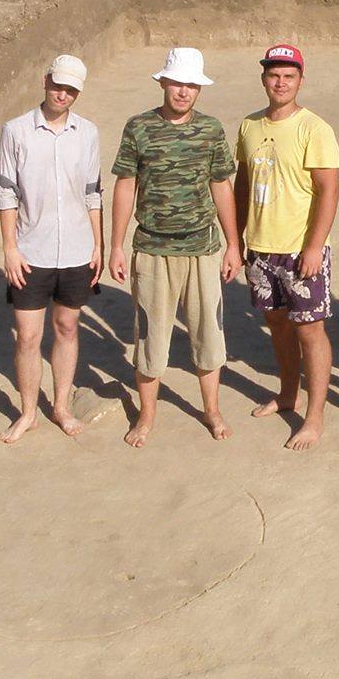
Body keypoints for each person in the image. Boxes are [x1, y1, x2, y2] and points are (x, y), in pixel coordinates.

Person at [108, 46, 243, 448]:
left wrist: (233, 244)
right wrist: (116, 245)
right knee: (150, 336)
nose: (183, 91)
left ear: (199, 89)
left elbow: (221, 184)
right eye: (177, 83)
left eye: (191, 85)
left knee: (208, 333)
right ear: (163, 82)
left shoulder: (211, 130)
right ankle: (147, 413)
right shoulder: (139, 128)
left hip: (202, 250)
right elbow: (125, 184)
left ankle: (212, 409)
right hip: (152, 249)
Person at [0, 53, 102, 445]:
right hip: (31, 251)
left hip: (76, 249)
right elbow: (7, 192)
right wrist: (9, 248)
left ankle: (60, 407)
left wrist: (98, 245)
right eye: (58, 85)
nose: (63, 94)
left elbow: (93, 193)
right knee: (27, 336)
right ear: (45, 81)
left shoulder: (87, 133)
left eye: (71, 89)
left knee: (67, 327)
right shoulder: (16, 131)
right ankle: (26, 413)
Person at [236, 43, 339, 450]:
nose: (280, 82)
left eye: (288, 76)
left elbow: (329, 189)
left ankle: (313, 417)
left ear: (300, 80)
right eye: (274, 75)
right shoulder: (248, 125)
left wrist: (315, 246)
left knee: (310, 330)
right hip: (261, 248)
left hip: (301, 250)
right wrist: (237, 239)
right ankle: (286, 394)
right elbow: (242, 185)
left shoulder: (314, 128)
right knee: (277, 324)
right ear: (264, 78)